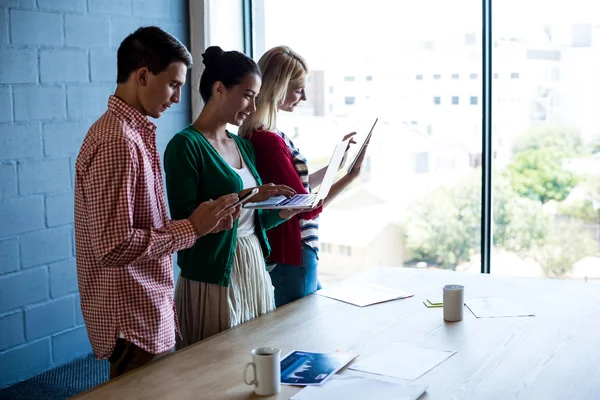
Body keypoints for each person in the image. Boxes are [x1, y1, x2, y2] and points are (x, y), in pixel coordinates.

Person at [74, 27, 239, 379]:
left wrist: (201, 225)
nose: (178, 98)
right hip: (133, 319)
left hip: (146, 310)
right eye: (174, 84)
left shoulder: (131, 133)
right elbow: (114, 246)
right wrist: (193, 228)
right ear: (143, 76)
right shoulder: (117, 141)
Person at [163, 46, 301, 349]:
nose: (253, 107)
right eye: (248, 95)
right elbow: (186, 222)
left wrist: (280, 213)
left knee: (258, 358)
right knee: (216, 367)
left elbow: (251, 220)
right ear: (219, 89)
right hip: (214, 273)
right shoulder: (185, 145)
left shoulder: (243, 146)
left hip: (252, 262)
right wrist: (246, 195)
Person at [239, 45, 369, 307]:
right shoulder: (269, 141)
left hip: (290, 253)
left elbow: (294, 189)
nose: (305, 98)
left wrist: (336, 165)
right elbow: (304, 207)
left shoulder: (266, 134)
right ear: (278, 87)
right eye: (299, 90)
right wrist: (350, 178)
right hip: (292, 253)